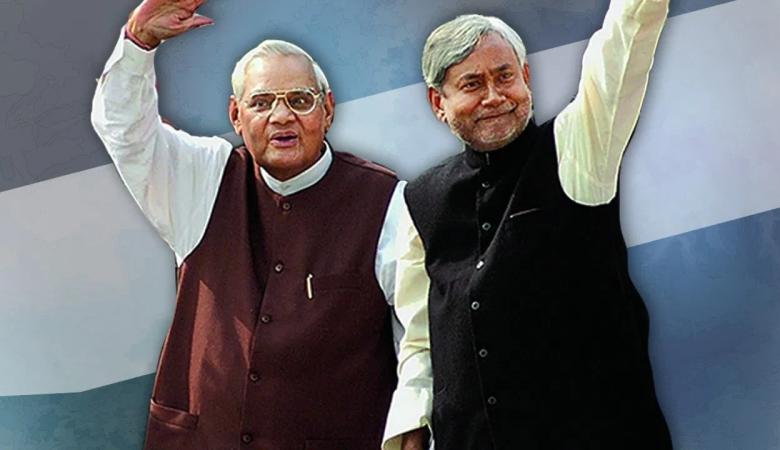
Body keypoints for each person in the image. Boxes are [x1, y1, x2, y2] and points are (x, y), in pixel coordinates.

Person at [91, 0, 407, 448]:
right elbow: (124, 132)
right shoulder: (203, 178)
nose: (281, 116)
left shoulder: (384, 199)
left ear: (328, 109)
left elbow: (416, 338)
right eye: (261, 103)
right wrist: (138, 44)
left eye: (299, 100)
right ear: (236, 116)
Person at [383, 1, 673, 449]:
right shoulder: (421, 201)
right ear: (438, 102)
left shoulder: (577, 150)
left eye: (504, 76)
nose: (494, 96)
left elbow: (623, 45)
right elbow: (421, 343)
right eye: (472, 84)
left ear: (526, 77)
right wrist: (411, 429)